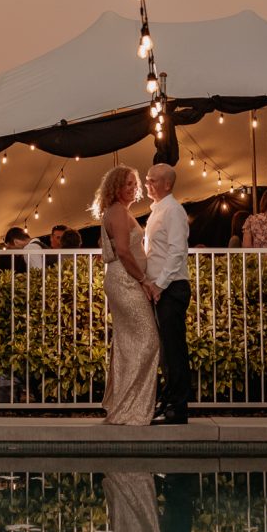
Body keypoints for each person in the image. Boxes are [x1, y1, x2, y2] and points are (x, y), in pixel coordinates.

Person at [92, 165, 160, 425]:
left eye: (135, 184)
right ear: (116, 188)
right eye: (128, 184)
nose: (134, 188)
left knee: (128, 343)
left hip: (123, 279)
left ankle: (124, 404)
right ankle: (129, 407)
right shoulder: (118, 212)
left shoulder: (119, 211)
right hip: (125, 280)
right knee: (148, 340)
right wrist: (143, 280)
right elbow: (122, 250)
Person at [145, 163, 192, 426]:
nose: (147, 185)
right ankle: (170, 401)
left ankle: (178, 408)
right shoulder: (158, 210)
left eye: (152, 181)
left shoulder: (173, 211)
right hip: (163, 288)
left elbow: (176, 252)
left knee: (174, 350)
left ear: (167, 184)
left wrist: (158, 285)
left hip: (172, 288)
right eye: (147, 180)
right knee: (167, 351)